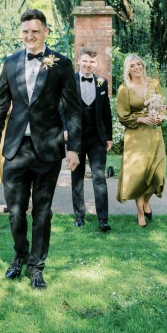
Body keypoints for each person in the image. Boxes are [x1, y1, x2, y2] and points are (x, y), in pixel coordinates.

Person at [0, 9, 82, 291]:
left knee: (43, 212)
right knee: (16, 211)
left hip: (48, 149)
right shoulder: (10, 62)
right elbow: (2, 106)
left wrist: (73, 148)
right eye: (26, 32)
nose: (30, 36)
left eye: (35, 32)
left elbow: (74, 109)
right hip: (15, 148)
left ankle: (36, 267)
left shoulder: (61, 64)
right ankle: (19, 255)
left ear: (45, 32)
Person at [116, 54, 166, 227]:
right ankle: (139, 212)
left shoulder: (154, 84)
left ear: (143, 66)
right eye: (132, 65)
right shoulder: (124, 88)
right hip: (136, 136)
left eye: (139, 64)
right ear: (127, 69)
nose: (136, 67)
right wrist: (140, 119)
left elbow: (163, 106)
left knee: (156, 172)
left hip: (154, 134)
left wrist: (160, 117)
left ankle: (146, 201)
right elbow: (122, 115)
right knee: (139, 174)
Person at [70, 47, 112, 232]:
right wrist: (65, 130)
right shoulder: (69, 81)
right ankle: (79, 216)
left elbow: (106, 112)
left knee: (99, 177)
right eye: (85, 61)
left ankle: (103, 219)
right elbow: (62, 107)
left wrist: (108, 137)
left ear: (96, 63)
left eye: (91, 62)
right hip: (76, 138)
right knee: (77, 178)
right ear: (79, 61)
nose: (88, 65)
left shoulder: (102, 82)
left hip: (97, 138)